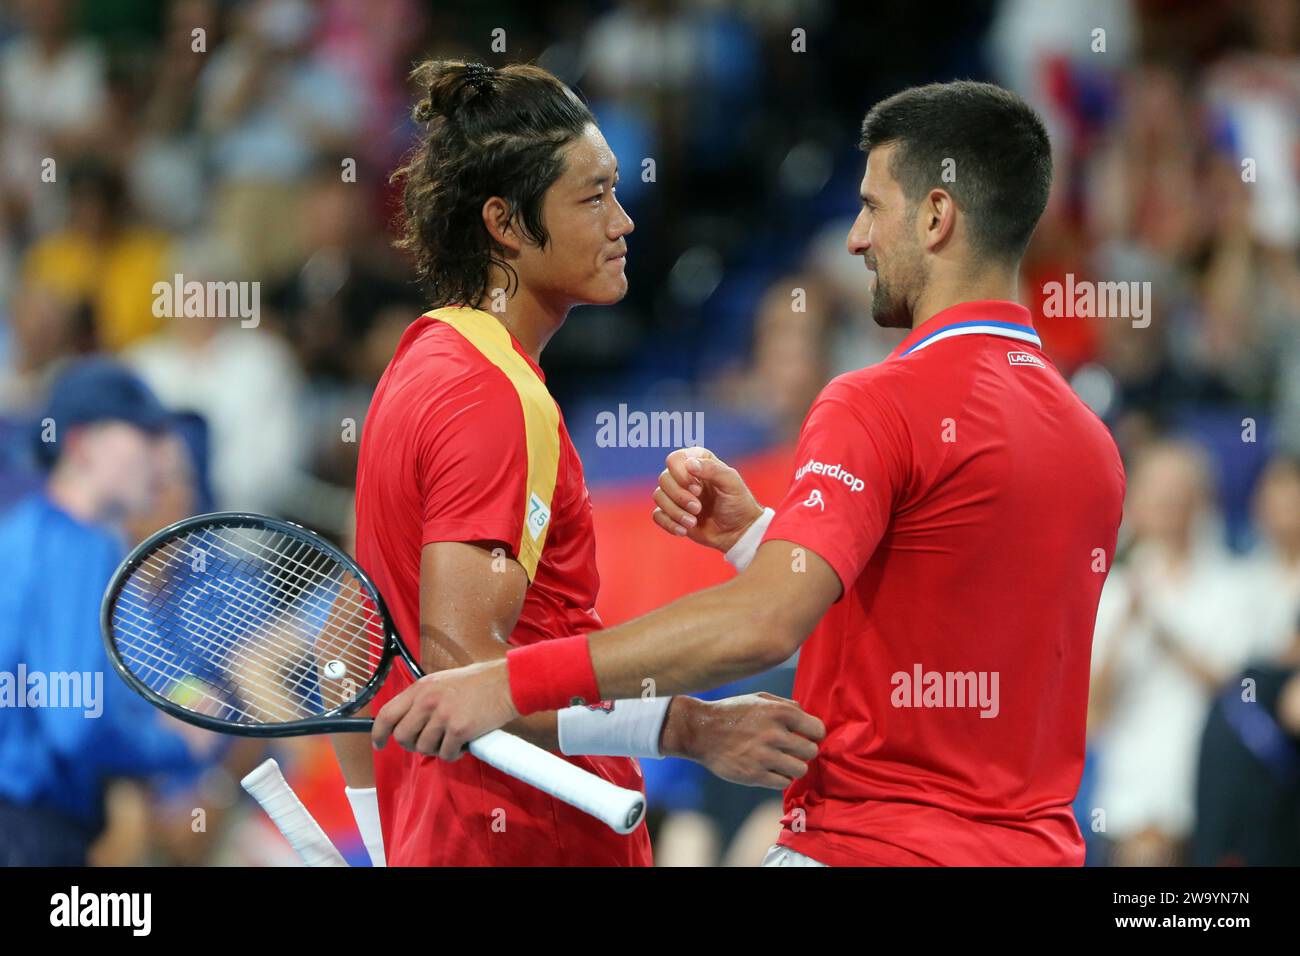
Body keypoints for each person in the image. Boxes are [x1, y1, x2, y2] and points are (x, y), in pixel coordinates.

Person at [372, 80, 1128, 867]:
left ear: (937, 217)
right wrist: (761, 539)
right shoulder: (1091, 444)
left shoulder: (880, 401)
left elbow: (761, 624)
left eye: (872, 207)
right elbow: (940, 625)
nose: (856, 239)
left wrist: (510, 684)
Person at [344, 60, 825, 867]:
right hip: (534, 838)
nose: (624, 220)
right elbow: (473, 678)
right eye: (594, 195)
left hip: (456, 834)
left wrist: (381, 820)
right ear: (505, 222)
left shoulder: (418, 362)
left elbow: (356, 647)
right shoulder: (495, 398)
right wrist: (690, 726)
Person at [0, 358, 198, 865]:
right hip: (28, 832)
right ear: (81, 444)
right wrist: (178, 744)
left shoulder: (24, 530)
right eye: (145, 437)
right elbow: (74, 725)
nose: (162, 460)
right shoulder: (85, 546)